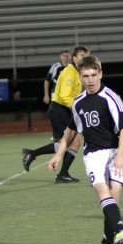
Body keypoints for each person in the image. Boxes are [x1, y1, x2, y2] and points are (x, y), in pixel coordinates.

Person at [48, 55, 123, 244]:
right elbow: (70, 131)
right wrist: (58, 155)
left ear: (100, 73)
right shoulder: (78, 102)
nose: (90, 80)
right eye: (86, 76)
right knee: (101, 191)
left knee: (113, 196)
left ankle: (107, 241)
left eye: (94, 75)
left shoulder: (111, 97)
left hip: (115, 151)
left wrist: (120, 156)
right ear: (80, 77)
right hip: (93, 154)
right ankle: (120, 229)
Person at [22, 46, 89, 182]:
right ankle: (33, 154)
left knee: (74, 142)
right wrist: (78, 108)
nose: (84, 57)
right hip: (60, 110)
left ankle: (62, 173)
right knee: (67, 143)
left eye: (85, 55)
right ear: (74, 58)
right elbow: (64, 97)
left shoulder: (78, 72)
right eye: (81, 55)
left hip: (66, 110)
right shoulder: (69, 73)